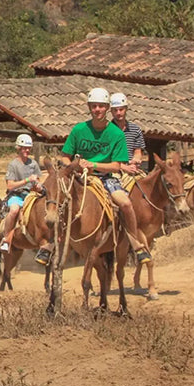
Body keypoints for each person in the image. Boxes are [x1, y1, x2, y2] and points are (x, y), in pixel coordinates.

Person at [60, 87, 151, 266]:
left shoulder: (116, 134)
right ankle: (50, 241)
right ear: (89, 107)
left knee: (125, 203)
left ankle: (135, 242)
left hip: (107, 178)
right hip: (79, 177)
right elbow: (64, 156)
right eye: (94, 106)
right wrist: (72, 165)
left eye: (101, 106)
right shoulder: (79, 130)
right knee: (55, 197)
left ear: (107, 108)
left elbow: (117, 166)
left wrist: (93, 165)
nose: (98, 110)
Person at [0, 134, 42, 254]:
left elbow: (38, 180)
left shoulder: (33, 164)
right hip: (16, 195)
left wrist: (37, 186)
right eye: (24, 148)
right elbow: (10, 185)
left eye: (28, 148)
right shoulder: (13, 164)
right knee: (13, 211)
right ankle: (6, 239)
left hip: (31, 195)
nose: (27, 150)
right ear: (18, 148)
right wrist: (26, 180)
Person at [109, 92, 146, 174]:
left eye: (121, 109)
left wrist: (135, 160)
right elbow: (106, 157)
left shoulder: (135, 130)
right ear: (111, 111)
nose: (118, 113)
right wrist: (123, 167)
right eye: (115, 110)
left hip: (131, 169)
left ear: (126, 109)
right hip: (112, 171)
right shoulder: (106, 130)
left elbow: (137, 152)